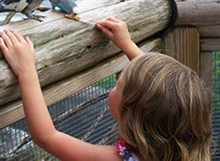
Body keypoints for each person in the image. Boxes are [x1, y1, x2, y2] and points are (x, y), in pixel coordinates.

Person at [0, 17, 212, 161]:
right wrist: (128, 45)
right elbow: (159, 90)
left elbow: (47, 137)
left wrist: (26, 70)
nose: (113, 88)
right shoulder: (183, 146)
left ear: (132, 112)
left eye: (117, 87)